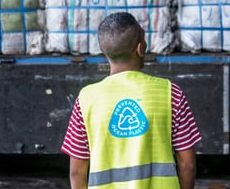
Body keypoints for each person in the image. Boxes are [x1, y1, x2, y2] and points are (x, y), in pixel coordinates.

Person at [61, 12, 202, 189]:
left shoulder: (86, 99)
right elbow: (187, 164)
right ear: (140, 48)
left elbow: (77, 171)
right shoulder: (171, 93)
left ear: (104, 51)